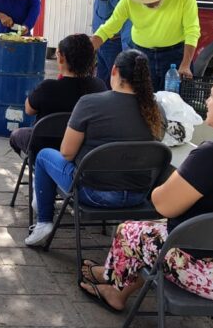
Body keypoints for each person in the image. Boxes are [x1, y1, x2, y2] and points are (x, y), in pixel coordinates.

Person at [79, 65, 213, 311]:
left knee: (129, 231)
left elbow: (163, 204)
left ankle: (115, 288)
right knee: (157, 232)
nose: (208, 101)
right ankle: (111, 273)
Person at [25, 49, 166, 247]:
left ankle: (44, 221)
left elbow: (66, 152)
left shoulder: (91, 103)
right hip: (139, 194)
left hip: (94, 193)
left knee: (43, 156)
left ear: (114, 70)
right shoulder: (156, 110)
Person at [8, 34, 106, 199]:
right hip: (83, 151)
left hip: (45, 146)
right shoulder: (99, 86)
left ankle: (41, 174)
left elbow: (28, 109)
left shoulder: (47, 87)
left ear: (61, 58)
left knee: (16, 136)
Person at [91, 0, 200, 93]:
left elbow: (192, 29)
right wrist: (86, 51)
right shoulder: (129, 0)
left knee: (176, 101)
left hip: (175, 55)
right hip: (142, 55)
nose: (150, 2)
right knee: (143, 101)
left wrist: (185, 64)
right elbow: (107, 29)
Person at [85, 0, 133, 88]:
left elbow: (130, 16)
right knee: (101, 82)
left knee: (116, 83)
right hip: (101, 41)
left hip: (115, 44)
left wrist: (126, 47)